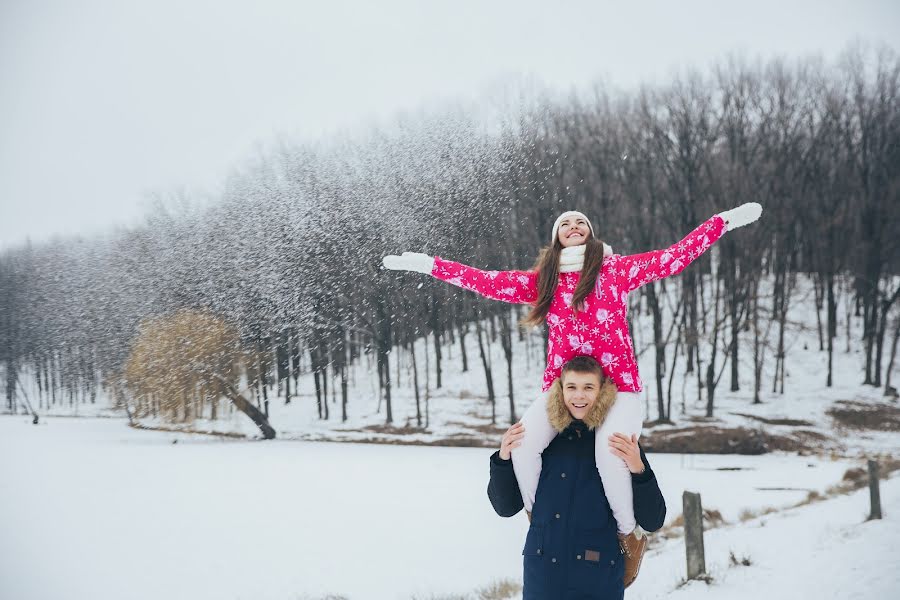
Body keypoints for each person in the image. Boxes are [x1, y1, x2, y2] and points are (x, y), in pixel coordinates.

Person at [382, 203, 761, 548]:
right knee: (524, 443)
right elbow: (486, 281)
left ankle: (627, 535)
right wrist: (431, 265)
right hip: (563, 389)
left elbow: (675, 257)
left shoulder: (614, 270)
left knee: (608, 455)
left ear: (591, 234)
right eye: (566, 222)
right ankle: (536, 517)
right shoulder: (544, 280)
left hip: (618, 386)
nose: (575, 224)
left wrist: (720, 223)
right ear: (557, 237)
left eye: (582, 221)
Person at [488, 356, 666, 598]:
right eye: (571, 387)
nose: (579, 396)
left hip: (599, 579)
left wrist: (638, 468)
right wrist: (503, 459)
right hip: (543, 578)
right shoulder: (542, 444)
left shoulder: (617, 444)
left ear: (602, 391)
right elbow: (505, 507)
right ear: (560, 390)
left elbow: (653, 520)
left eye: (588, 388)